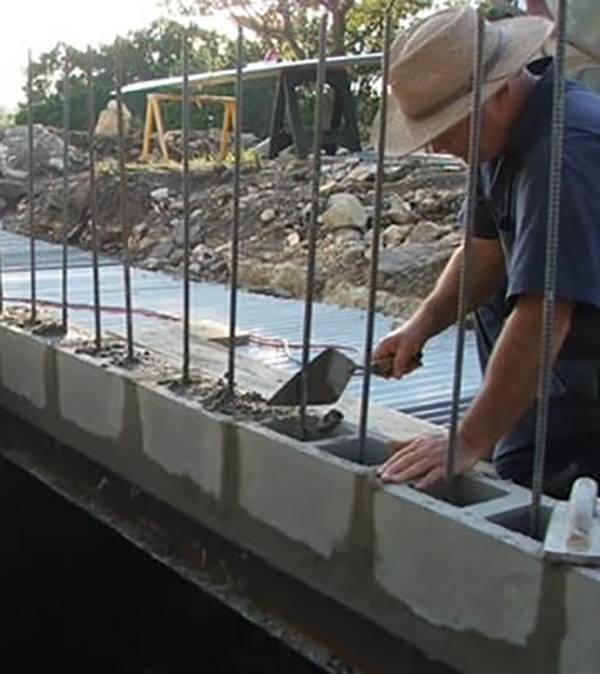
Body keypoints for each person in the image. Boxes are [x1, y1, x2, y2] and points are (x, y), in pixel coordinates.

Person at [373, 6, 600, 497]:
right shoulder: (497, 138)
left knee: (546, 503)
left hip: (585, 376)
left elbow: (544, 314)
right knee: (513, 466)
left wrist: (468, 439)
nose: (433, 147)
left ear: (497, 93)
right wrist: (422, 323)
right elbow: (483, 252)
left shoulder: (564, 151)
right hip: (558, 372)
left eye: (444, 126)